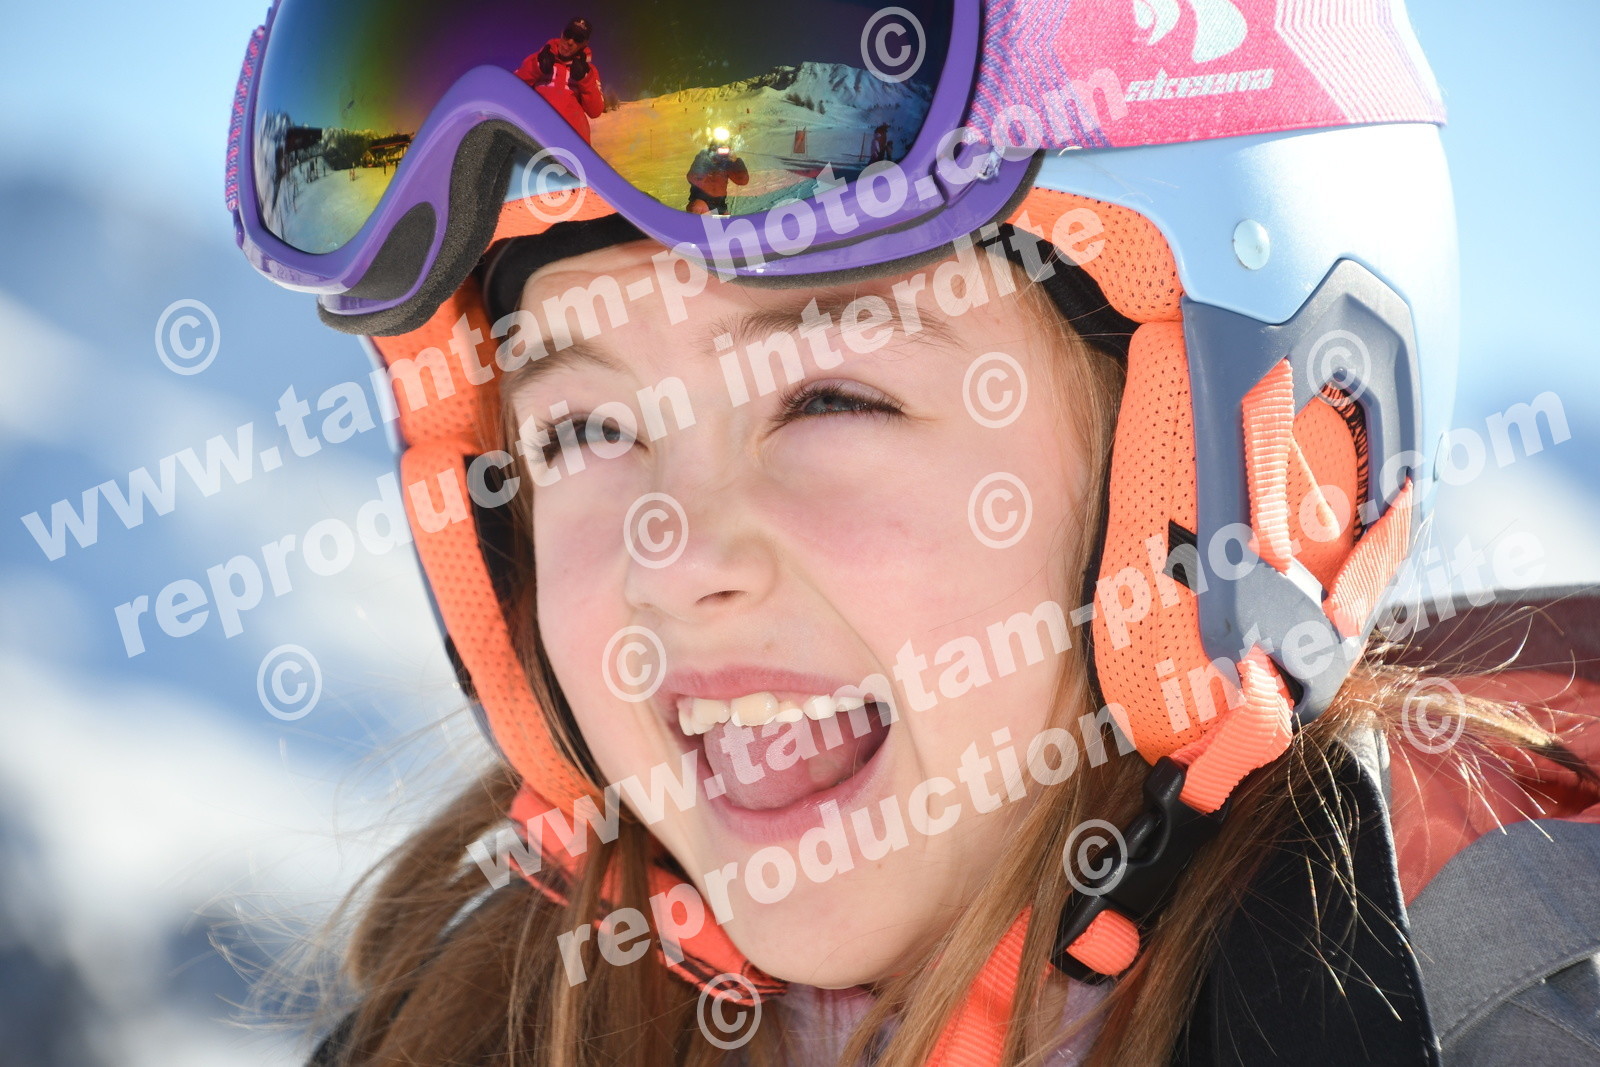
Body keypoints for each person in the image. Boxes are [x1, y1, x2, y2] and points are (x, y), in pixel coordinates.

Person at [223, 1, 1600, 1063]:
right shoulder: (469, 1027)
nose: (674, 559)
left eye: (829, 397)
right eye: (581, 431)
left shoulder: (1489, 1011)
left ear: (1274, 464)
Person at [514, 17, 604, 144]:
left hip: (571, 143)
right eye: (568, 34)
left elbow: (595, 111)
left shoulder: (589, 71)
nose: (570, 41)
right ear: (562, 33)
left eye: (578, 39)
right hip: (534, 136)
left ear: (584, 44)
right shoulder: (538, 58)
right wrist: (536, 67)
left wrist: (585, 79)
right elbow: (512, 88)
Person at [685, 134, 749, 214]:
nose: (722, 152)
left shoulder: (727, 162)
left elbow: (742, 181)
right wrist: (704, 161)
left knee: (724, 219)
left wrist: (736, 162)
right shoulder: (704, 158)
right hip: (701, 201)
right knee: (698, 208)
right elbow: (692, 178)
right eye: (720, 149)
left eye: (725, 149)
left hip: (719, 205)